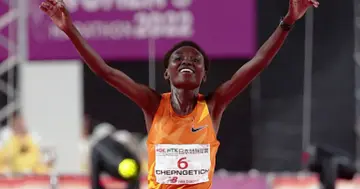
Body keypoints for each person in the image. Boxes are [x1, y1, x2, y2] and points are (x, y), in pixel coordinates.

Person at [39, 0, 319, 188]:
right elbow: (106, 72)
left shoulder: (213, 104)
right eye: (178, 59)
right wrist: (69, 29)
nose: (187, 62)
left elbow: (258, 63)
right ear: (167, 73)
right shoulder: (152, 103)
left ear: (204, 75)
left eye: (195, 60)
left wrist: (289, 20)